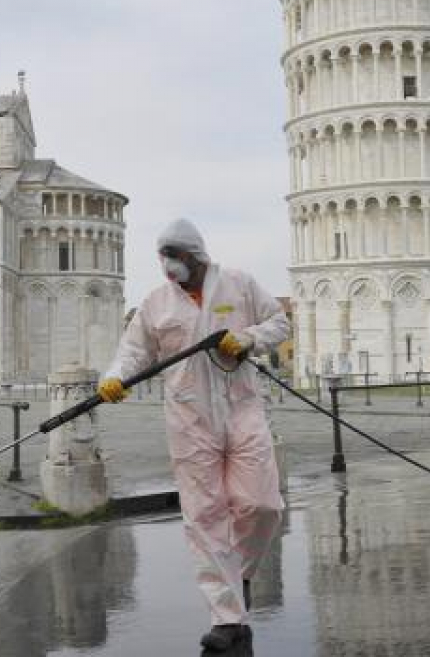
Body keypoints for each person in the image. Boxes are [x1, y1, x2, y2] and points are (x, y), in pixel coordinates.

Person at [98, 218, 289, 652]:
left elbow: (280, 323)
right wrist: (113, 378)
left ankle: (237, 573)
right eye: (163, 257)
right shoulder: (156, 303)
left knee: (262, 504)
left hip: (241, 409)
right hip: (189, 418)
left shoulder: (239, 285)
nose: (169, 265)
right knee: (205, 515)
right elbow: (133, 352)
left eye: (176, 256)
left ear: (197, 255)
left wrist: (247, 339)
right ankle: (227, 618)